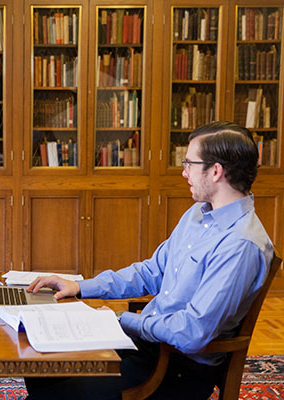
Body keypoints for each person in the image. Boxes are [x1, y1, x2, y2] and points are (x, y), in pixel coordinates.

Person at [25, 121, 274, 400]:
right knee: (40, 360)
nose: (184, 172)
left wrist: (122, 320)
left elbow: (193, 332)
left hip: (176, 367)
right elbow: (150, 272)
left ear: (215, 171)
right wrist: (80, 287)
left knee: (48, 394)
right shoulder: (197, 215)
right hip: (148, 346)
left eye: (189, 163)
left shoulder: (240, 244)